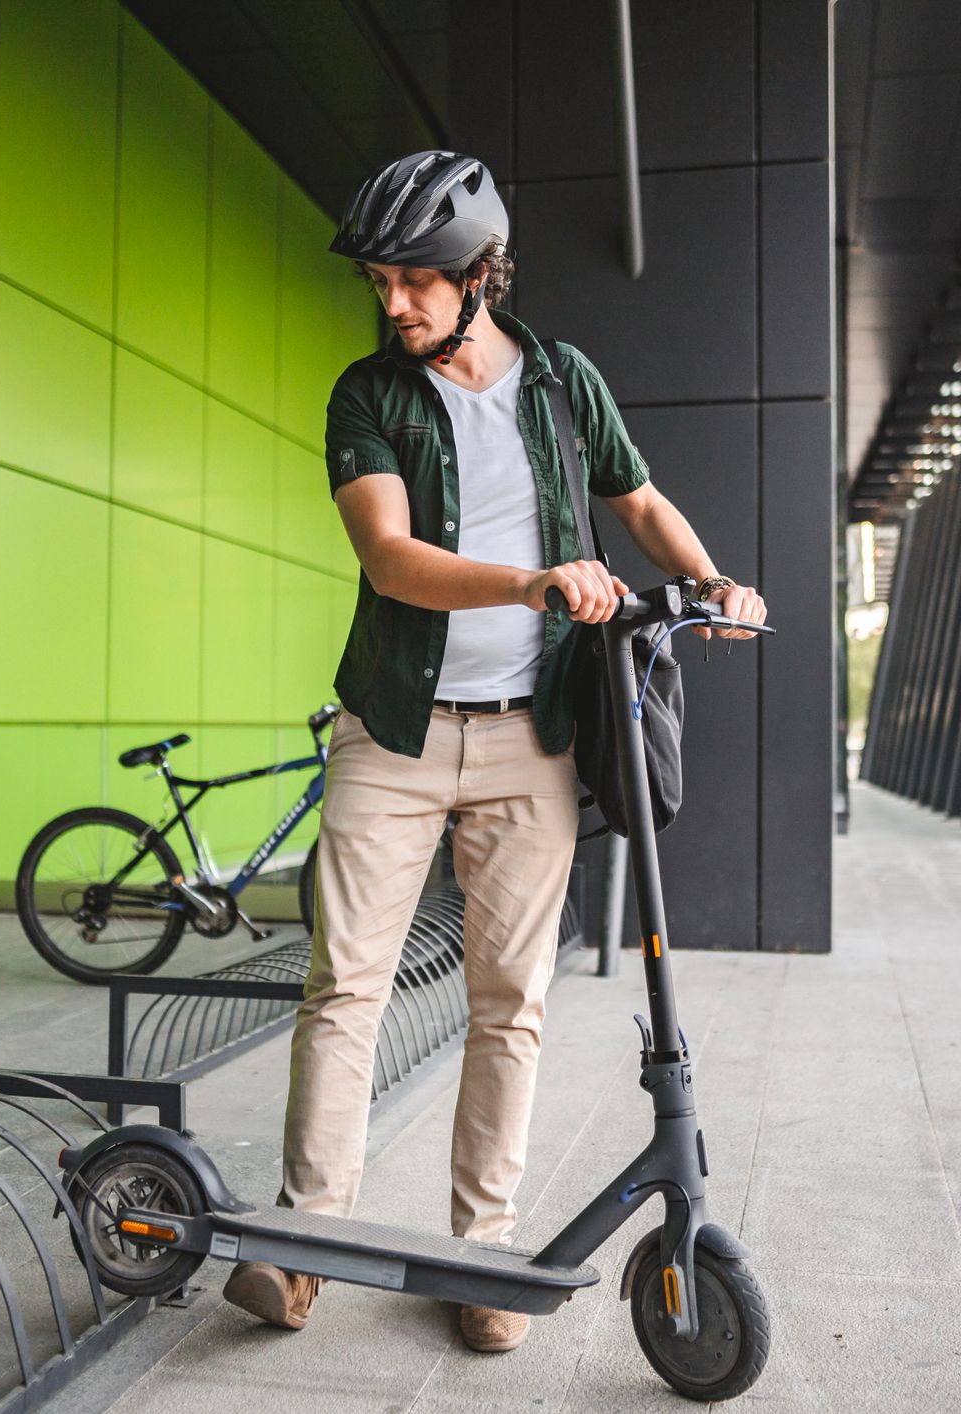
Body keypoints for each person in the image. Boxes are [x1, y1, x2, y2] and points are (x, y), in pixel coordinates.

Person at [220, 150, 766, 1353]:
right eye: (381, 280)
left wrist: (712, 578)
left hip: (535, 746)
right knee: (344, 987)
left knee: (508, 1002)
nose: (395, 302)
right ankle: (303, 1247)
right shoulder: (365, 395)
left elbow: (639, 502)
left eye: (417, 278)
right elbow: (390, 559)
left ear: (480, 274)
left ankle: (482, 1258)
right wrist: (532, 582)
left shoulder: (565, 383)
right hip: (394, 736)